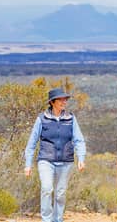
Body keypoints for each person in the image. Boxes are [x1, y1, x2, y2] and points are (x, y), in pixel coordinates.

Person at [24, 88, 86, 222]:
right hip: (46, 160)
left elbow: (79, 140)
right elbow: (32, 143)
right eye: (61, 99)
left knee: (60, 194)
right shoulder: (42, 119)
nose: (64, 102)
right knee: (47, 188)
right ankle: (46, 219)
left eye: (65, 99)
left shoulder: (70, 119)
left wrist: (81, 158)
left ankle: (58, 219)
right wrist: (28, 164)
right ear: (52, 102)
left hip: (66, 162)